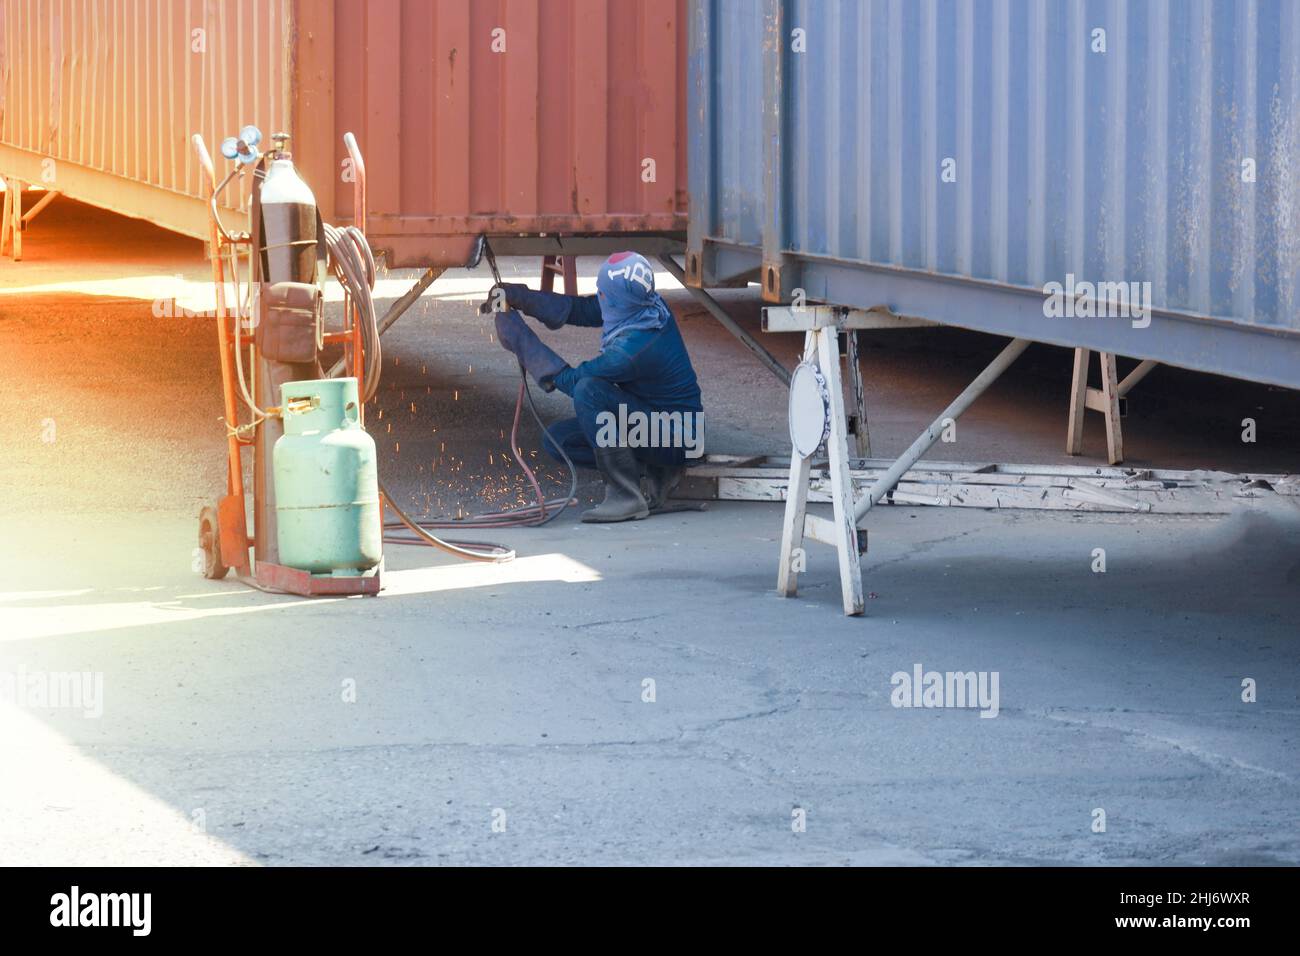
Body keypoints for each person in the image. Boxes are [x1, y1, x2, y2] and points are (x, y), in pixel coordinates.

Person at [492, 252, 704, 523]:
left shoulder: (632, 349)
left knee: (588, 391)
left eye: (602, 293)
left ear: (616, 299)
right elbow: (583, 309)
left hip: (679, 437)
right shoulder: (643, 305)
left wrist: (521, 341)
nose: (599, 296)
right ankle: (656, 469)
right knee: (558, 440)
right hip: (653, 423)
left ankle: (626, 497)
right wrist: (524, 298)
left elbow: (572, 381)